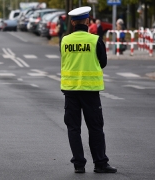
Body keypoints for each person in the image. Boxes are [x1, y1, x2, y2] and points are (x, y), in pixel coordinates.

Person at [60, 6, 117, 174]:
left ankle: (79, 164)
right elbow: (103, 62)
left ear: (72, 22)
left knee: (73, 128)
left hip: (70, 91)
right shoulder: (95, 40)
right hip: (90, 91)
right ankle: (100, 163)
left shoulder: (65, 40)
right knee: (95, 127)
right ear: (88, 21)